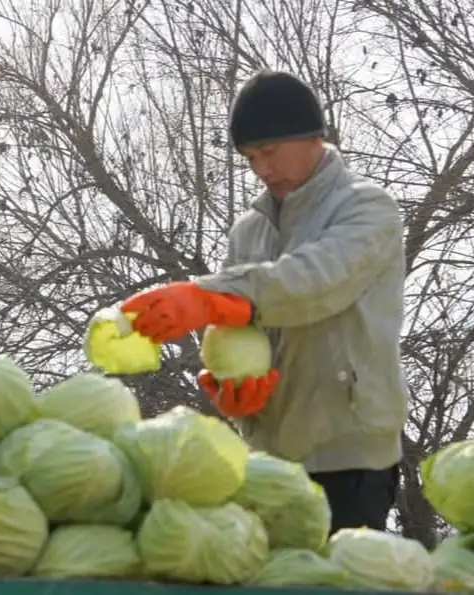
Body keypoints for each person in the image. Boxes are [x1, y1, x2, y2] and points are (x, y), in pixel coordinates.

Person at [120, 70, 408, 533]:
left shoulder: (367, 208)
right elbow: (242, 328)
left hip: (351, 456)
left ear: (313, 136)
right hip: (266, 460)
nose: (262, 169)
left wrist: (207, 297)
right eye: (250, 158)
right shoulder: (247, 231)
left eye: (269, 152)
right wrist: (235, 391)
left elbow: (316, 281)